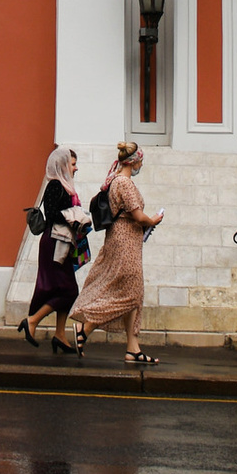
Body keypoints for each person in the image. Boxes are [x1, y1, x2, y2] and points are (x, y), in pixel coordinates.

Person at [72, 140, 161, 366]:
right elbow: (138, 216)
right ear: (134, 162)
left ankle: (133, 348)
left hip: (119, 238)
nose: (142, 164)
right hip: (126, 241)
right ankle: (85, 327)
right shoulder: (125, 183)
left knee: (131, 293)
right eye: (141, 161)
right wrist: (154, 220)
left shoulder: (113, 180)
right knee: (131, 293)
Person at [17, 146, 89, 352]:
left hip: (61, 242)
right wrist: (74, 218)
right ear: (63, 165)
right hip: (54, 242)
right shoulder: (56, 186)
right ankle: (32, 320)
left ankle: (59, 334)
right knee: (69, 290)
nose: (75, 169)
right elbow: (52, 214)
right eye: (73, 164)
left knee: (64, 288)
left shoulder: (65, 186)